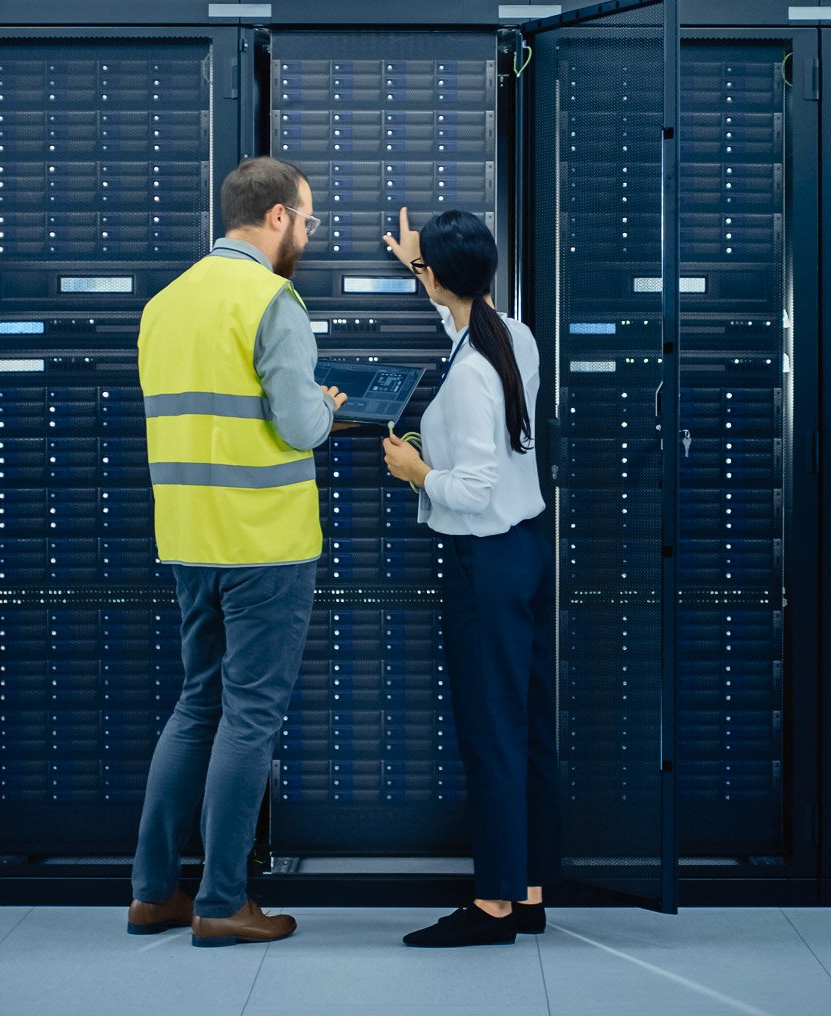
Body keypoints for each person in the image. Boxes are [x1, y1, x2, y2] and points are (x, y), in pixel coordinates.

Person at [128, 156, 346, 948]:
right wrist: (325, 408)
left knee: (196, 706)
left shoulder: (166, 303)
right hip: (264, 541)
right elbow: (296, 427)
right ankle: (222, 901)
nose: (308, 237)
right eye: (309, 221)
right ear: (279, 215)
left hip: (188, 537)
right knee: (250, 716)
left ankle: (154, 893)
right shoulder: (270, 299)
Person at [382, 207, 561, 948]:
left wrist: (417, 470)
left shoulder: (472, 373)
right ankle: (528, 890)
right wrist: (420, 265)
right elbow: (459, 324)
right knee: (528, 731)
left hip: (484, 560)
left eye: (423, 268)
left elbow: (476, 489)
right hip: (527, 553)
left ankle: (492, 909)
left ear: (439, 277)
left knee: (489, 735)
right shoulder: (509, 333)